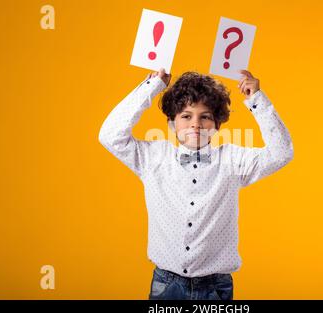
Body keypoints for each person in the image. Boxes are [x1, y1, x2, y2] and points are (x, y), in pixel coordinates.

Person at [98, 68, 294, 300]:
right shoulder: (152, 157)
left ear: (217, 123)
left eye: (205, 116)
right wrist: (153, 87)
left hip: (215, 287)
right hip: (166, 285)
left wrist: (256, 99)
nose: (196, 124)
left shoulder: (233, 160)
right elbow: (110, 136)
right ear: (172, 123)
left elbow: (281, 153)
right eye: (186, 116)